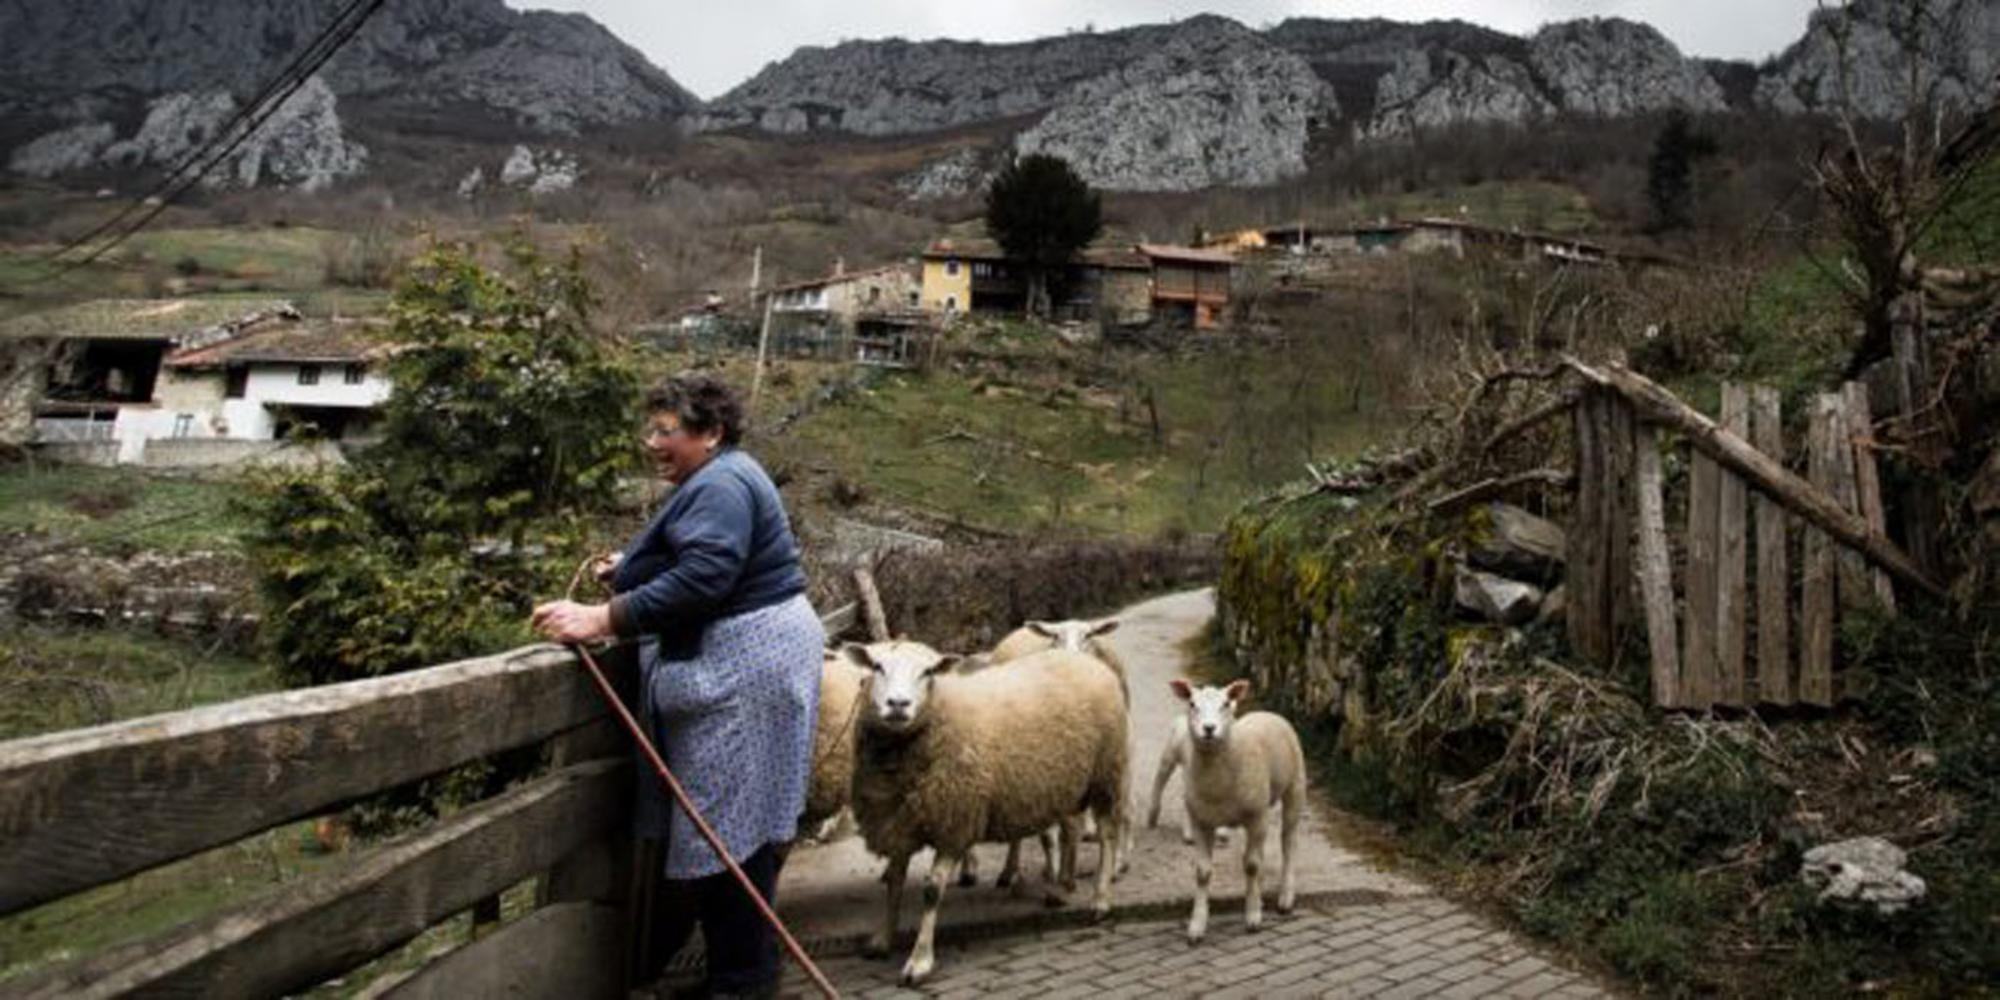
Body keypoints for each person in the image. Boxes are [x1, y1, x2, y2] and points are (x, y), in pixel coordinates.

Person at [532, 373, 821, 1000]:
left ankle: (739, 983)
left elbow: (706, 575)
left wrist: (602, 616)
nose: (652, 442)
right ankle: (746, 971)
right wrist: (632, 569)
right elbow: (700, 556)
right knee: (740, 827)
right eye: (651, 429)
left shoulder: (720, 484)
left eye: (667, 431)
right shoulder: (725, 477)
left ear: (711, 433)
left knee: (727, 834)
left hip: (743, 673)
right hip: (759, 661)